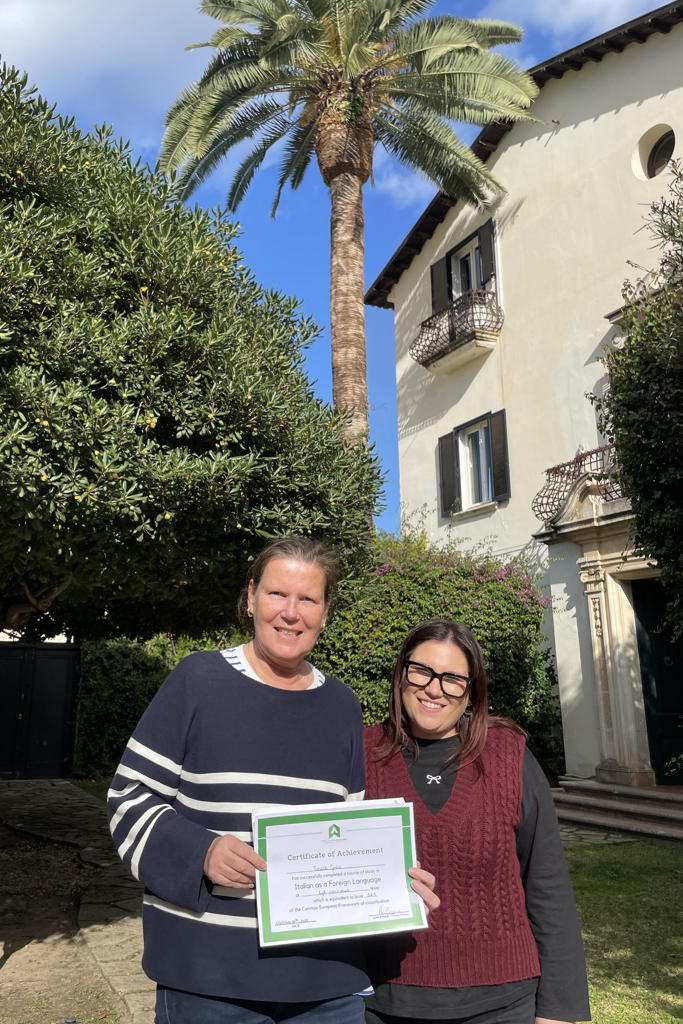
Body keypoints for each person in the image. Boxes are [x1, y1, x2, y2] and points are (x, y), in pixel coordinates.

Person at [107, 537, 438, 1024]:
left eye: (308, 599)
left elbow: (346, 835)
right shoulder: (197, 680)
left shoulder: (342, 706)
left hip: (325, 983)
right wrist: (202, 851)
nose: (291, 613)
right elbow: (128, 798)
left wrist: (391, 884)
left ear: (326, 612)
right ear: (250, 597)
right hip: (208, 977)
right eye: (277, 594)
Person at [362, 619, 591, 1024]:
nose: (434, 689)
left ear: (471, 694)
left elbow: (548, 885)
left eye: (453, 679)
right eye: (422, 672)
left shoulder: (508, 757)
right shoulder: (360, 755)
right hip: (382, 1003)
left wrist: (561, 1009)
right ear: (400, 676)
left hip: (503, 1004)